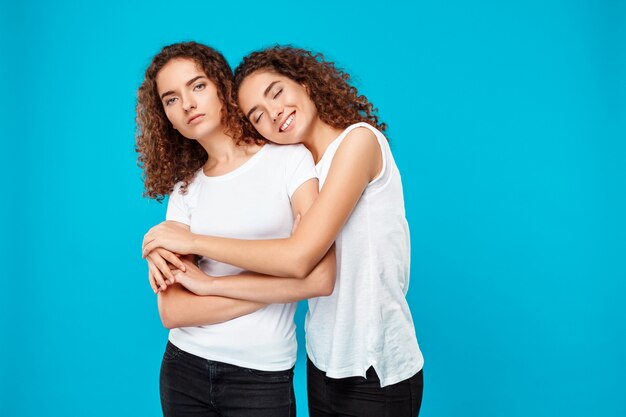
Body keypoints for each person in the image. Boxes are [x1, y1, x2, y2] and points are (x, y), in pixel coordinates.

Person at [143, 45, 424, 417]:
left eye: (276, 93)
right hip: (323, 360)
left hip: (375, 362)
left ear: (305, 82)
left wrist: (202, 267)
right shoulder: (304, 163)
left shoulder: (355, 143)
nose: (274, 114)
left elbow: (303, 260)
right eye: (256, 115)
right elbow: (173, 308)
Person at [136, 42, 335, 417]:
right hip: (184, 369)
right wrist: (279, 286)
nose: (188, 104)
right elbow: (173, 311)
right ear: (167, 118)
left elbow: (319, 275)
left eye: (197, 86)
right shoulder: (185, 189)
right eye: (171, 99)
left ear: (221, 88)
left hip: (261, 377)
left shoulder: (291, 160)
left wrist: (206, 279)